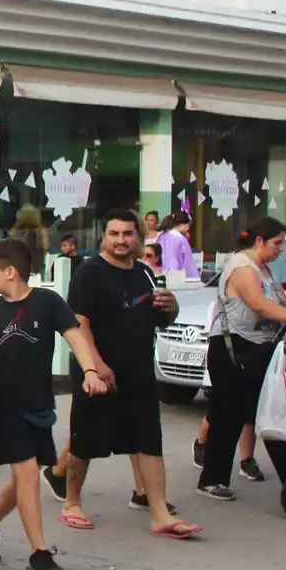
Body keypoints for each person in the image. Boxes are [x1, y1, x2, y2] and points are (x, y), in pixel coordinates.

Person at [43, 211, 201, 538]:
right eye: (114, 233)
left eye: (127, 234)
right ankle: (72, 501)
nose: (120, 240)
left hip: (139, 372)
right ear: (104, 236)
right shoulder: (90, 273)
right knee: (85, 439)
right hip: (97, 371)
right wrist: (97, 366)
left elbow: (162, 319)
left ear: (138, 237)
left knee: (148, 440)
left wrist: (171, 307)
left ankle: (159, 513)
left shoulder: (144, 272)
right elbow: (78, 323)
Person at [0, 237, 105, 570]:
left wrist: (90, 372)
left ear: (10, 271)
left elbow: (76, 339)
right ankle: (40, 553)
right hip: (2, 405)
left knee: (23, 476)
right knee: (27, 473)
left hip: (38, 404)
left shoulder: (48, 302)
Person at [197, 217, 286, 501]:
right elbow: (260, 306)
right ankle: (215, 479)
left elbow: (283, 305)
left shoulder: (265, 270)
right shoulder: (242, 267)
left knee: (266, 411)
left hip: (257, 350)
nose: (281, 249)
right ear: (259, 241)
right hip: (233, 351)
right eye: (277, 243)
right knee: (234, 415)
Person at [157, 212, 200, 283]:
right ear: (184, 225)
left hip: (162, 274)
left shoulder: (161, 237)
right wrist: (194, 277)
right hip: (178, 276)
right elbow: (188, 262)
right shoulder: (181, 239)